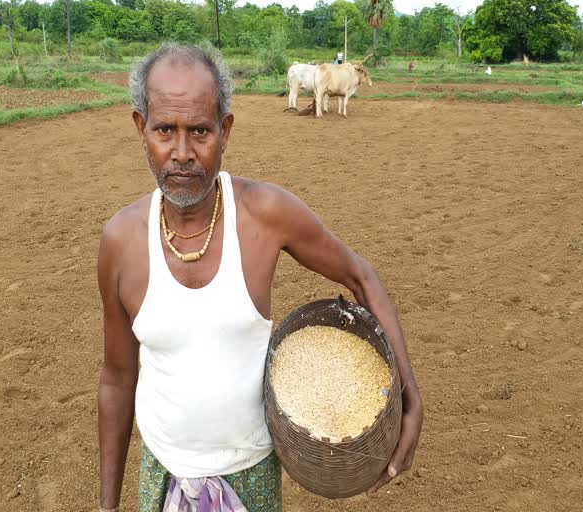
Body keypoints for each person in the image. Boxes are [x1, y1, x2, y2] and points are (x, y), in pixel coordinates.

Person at [97, 43, 424, 512]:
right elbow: (116, 378)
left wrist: (409, 395)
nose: (182, 153)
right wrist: (107, 507)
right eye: (164, 130)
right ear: (140, 128)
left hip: (253, 475)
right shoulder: (121, 241)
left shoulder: (264, 214)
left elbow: (360, 275)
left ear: (225, 131)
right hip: (162, 472)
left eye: (201, 131)